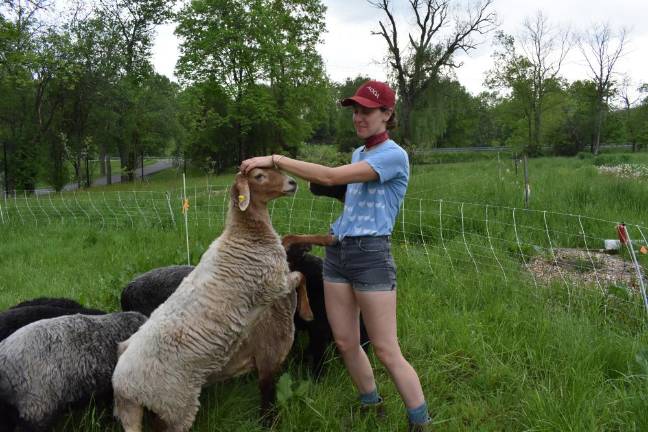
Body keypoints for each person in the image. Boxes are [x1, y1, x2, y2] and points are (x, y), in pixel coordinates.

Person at [240, 80, 431, 431]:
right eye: (355, 110)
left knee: (387, 350)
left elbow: (329, 177)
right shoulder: (361, 154)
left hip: (371, 256)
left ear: (387, 114)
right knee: (344, 341)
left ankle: (420, 422)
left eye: (367, 111)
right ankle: (371, 406)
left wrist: (274, 160)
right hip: (338, 252)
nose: (359, 117)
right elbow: (346, 198)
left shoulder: (393, 155)